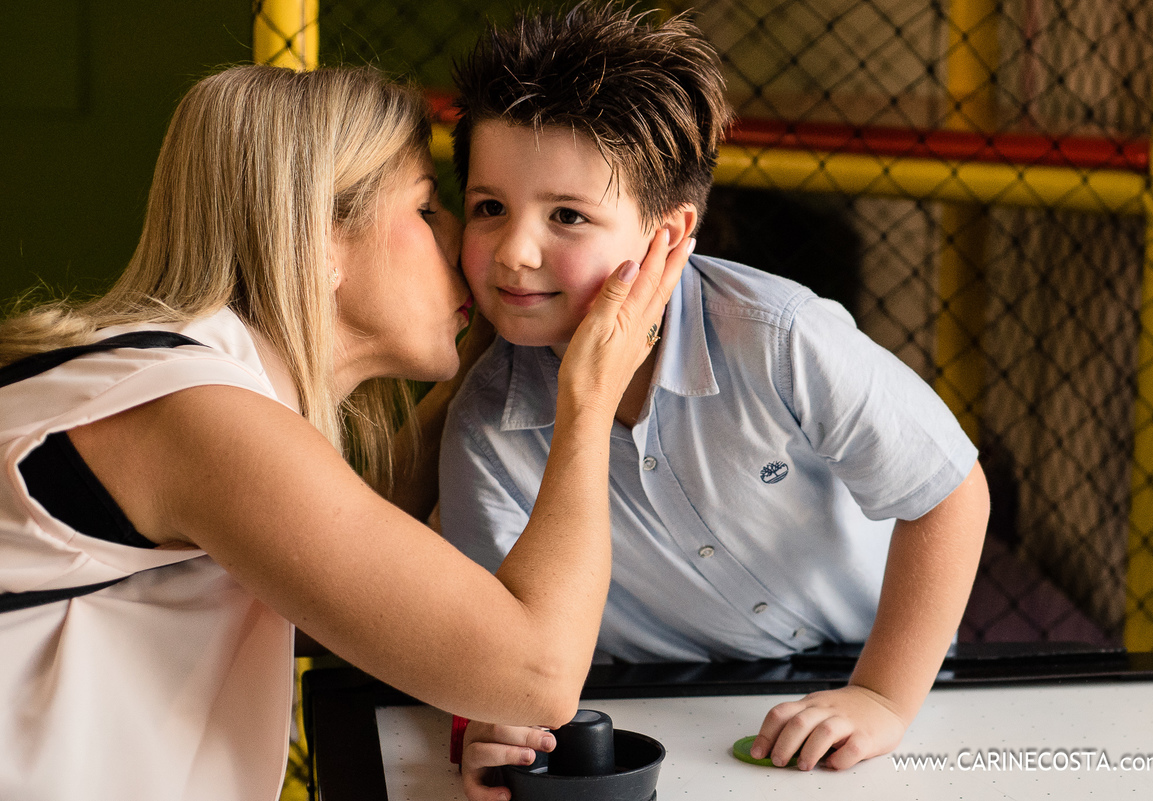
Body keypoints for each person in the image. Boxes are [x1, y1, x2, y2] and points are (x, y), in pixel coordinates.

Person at [0, 63, 689, 801]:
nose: (461, 240)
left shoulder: (179, 381)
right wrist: (586, 395)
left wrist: (475, 365)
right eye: (428, 210)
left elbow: (354, 587)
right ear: (319, 237)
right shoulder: (192, 413)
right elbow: (538, 674)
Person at [436, 4, 990, 797]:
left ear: (668, 235)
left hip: (876, 674)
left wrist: (881, 696)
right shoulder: (485, 428)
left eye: (567, 215)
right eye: (490, 207)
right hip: (654, 703)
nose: (516, 251)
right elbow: (509, 648)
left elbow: (949, 492)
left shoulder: (779, 337)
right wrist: (497, 730)